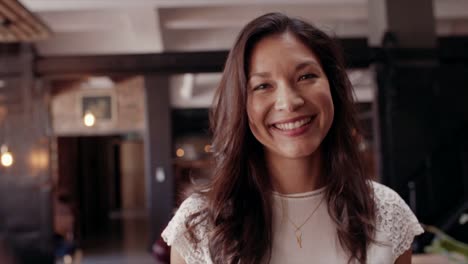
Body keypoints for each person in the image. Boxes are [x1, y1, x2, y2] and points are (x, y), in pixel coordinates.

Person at [162, 12, 423, 264]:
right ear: (241, 105)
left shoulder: (387, 213)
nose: (289, 102)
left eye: (306, 76)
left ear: (333, 87)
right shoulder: (199, 223)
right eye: (263, 86)